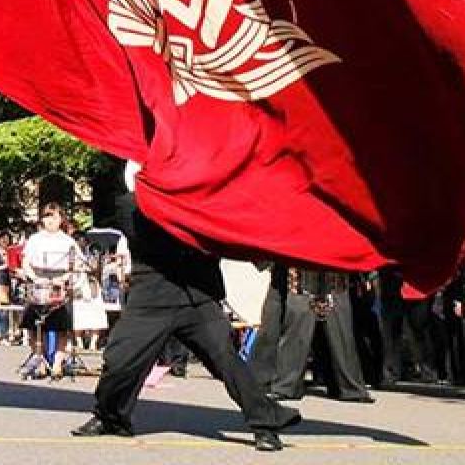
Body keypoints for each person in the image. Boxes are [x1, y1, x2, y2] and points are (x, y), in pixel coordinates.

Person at [76, 161, 299, 452]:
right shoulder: (129, 205)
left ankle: (264, 424)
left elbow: (221, 233)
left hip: (197, 296)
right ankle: (110, 417)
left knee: (227, 361)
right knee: (120, 361)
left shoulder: (198, 203)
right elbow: (164, 237)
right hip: (152, 298)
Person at [265, 263, 374, 404]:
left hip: (335, 263)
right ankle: (286, 386)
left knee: (340, 329)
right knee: (297, 326)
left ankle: (350, 387)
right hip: (301, 264)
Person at [19, 203, 84, 379]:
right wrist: (34, 277)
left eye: (54, 217)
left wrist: (64, 280)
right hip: (38, 283)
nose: (50, 221)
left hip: (60, 285)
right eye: (47, 216)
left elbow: (78, 264)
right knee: (34, 326)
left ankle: (57, 364)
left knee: (61, 326)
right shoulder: (35, 239)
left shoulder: (68, 241)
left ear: (61, 219)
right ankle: (40, 360)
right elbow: (25, 262)